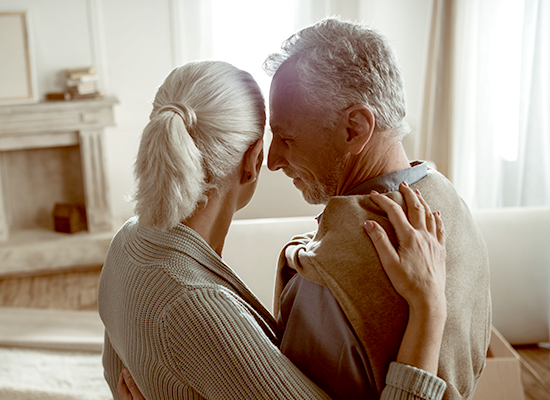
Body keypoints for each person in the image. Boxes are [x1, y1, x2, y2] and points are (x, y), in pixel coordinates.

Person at [99, 60, 448, 400]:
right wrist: (429, 308)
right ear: (251, 164)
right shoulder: (198, 306)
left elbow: (119, 371)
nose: (275, 160)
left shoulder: (126, 242)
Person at [263, 17, 491, 400]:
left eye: (286, 137)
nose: (272, 160)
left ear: (354, 129)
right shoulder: (449, 200)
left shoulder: (327, 278)